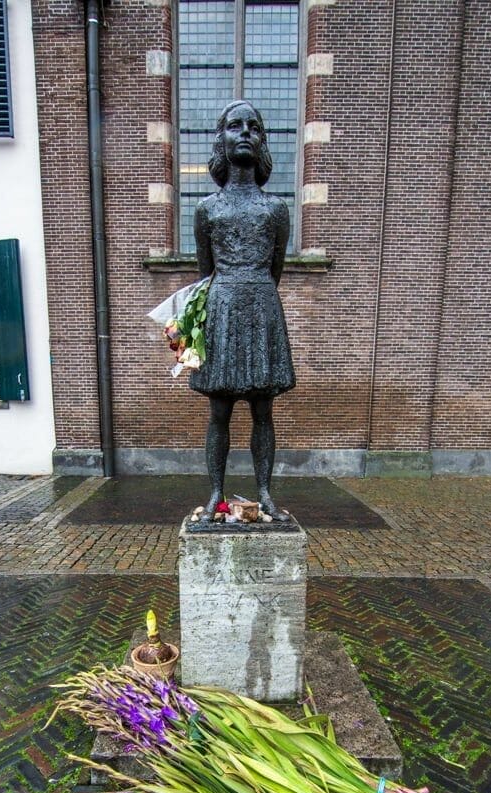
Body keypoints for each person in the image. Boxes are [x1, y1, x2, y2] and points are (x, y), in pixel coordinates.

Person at [190, 100, 296, 522]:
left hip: (262, 307)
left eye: (254, 126)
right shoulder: (207, 210)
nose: (246, 132)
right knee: (219, 409)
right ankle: (216, 491)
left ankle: (265, 493)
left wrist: (253, 293)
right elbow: (204, 273)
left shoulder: (275, 209)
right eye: (236, 126)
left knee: (263, 409)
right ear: (222, 139)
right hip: (222, 309)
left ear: (263, 141)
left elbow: (276, 268)